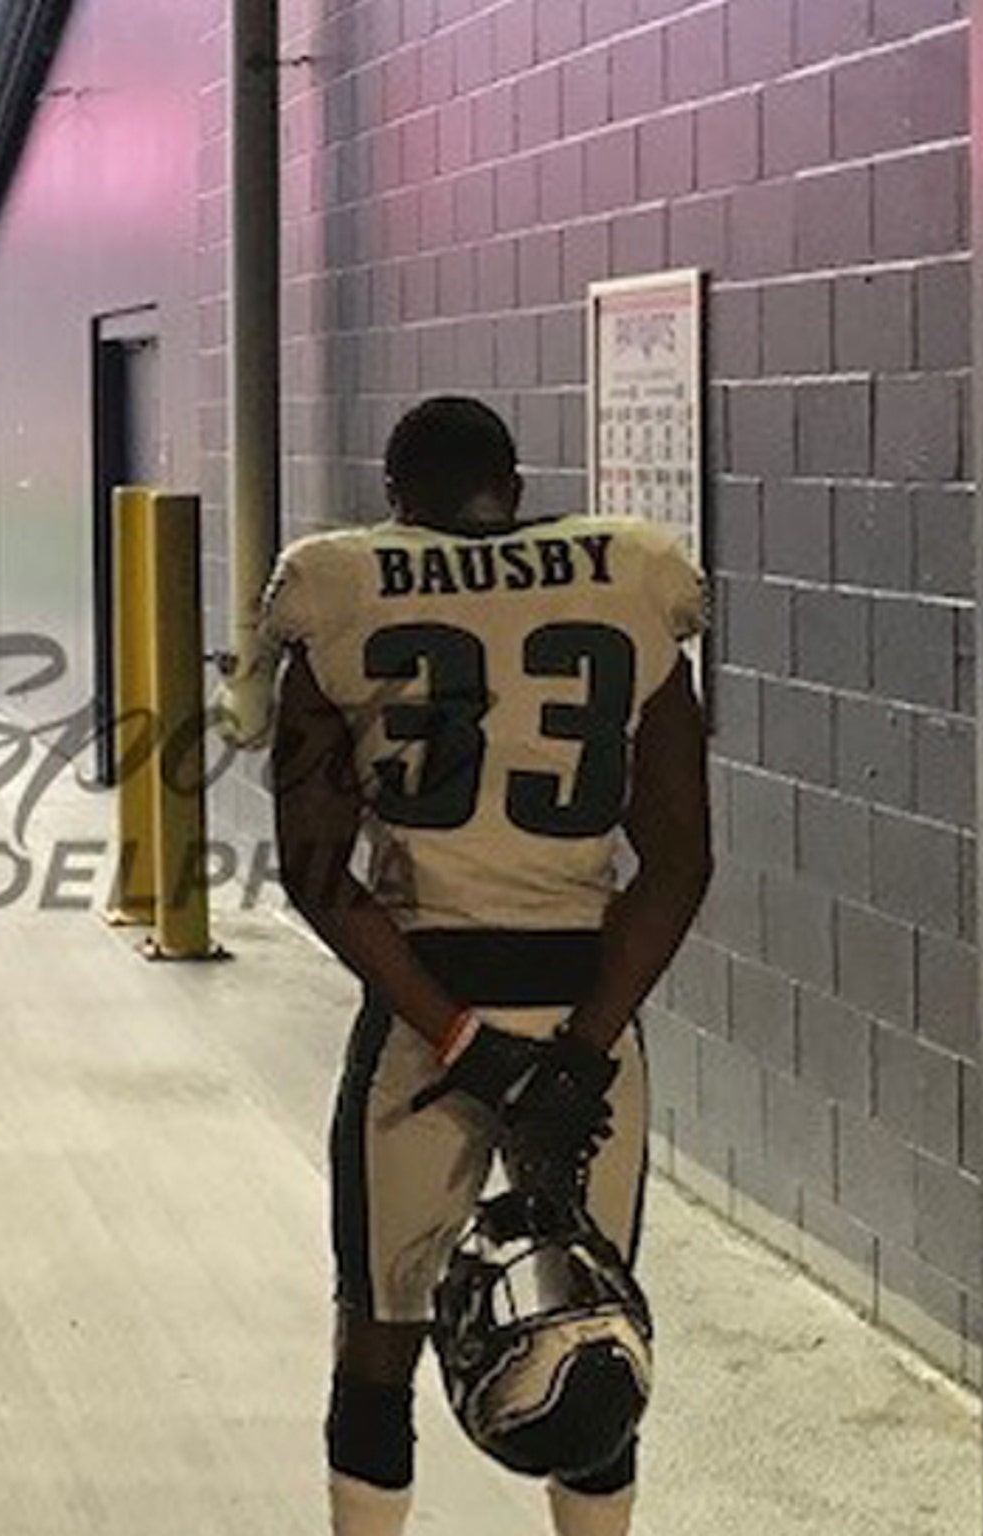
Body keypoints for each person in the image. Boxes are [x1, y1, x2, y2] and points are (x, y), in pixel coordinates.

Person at [257, 397, 711, 1536]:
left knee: (376, 1334)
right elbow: (678, 862)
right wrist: (575, 1059)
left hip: (424, 1016)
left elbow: (317, 875)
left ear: (393, 502)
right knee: (590, 1325)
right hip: (586, 1015)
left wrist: (466, 1047)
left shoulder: (339, 587)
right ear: (510, 486)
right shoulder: (633, 577)